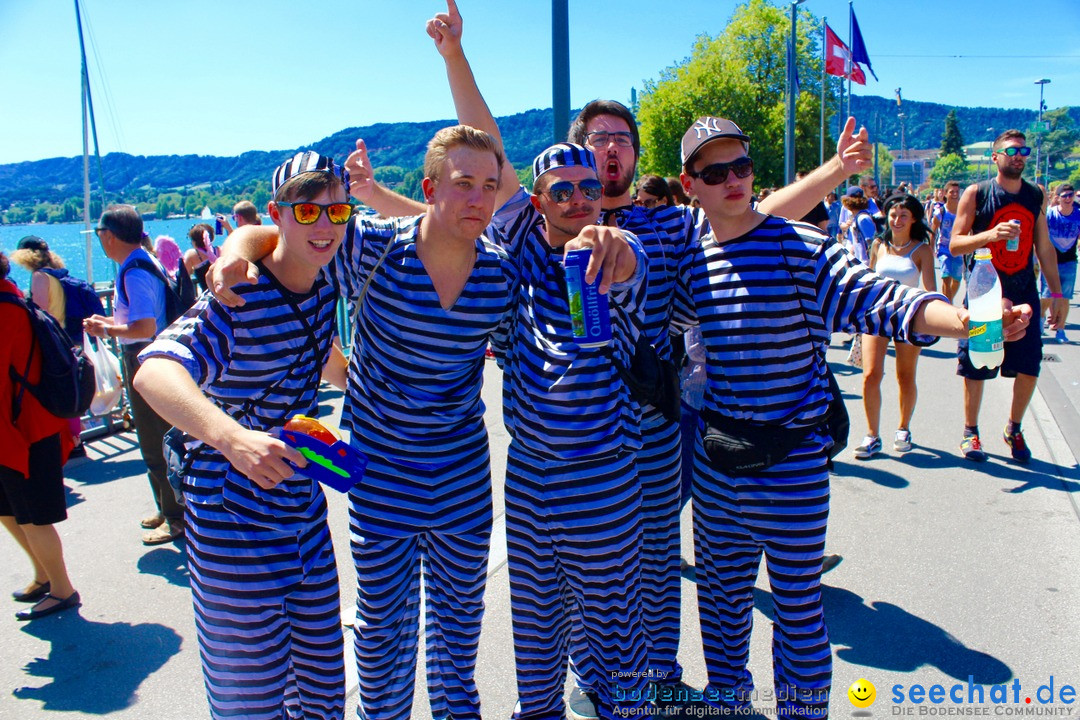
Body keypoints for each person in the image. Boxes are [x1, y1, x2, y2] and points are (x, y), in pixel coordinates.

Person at [670, 116, 1030, 719]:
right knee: (722, 609)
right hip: (716, 467)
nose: (733, 180)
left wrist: (967, 321)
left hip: (791, 468)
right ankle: (728, 703)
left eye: (742, 166)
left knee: (797, 611)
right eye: (714, 172)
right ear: (690, 185)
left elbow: (885, 301)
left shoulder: (799, 249)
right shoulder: (688, 262)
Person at [209, 125, 518, 720]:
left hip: (461, 478)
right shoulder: (369, 246)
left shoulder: (500, 275)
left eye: (488, 185)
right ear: (429, 188)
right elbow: (270, 232)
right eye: (462, 184)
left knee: (459, 627)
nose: (479, 199)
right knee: (382, 630)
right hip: (379, 478)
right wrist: (230, 255)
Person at [134, 153, 350, 720]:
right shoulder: (240, 295)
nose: (325, 225)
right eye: (307, 211)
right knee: (250, 692)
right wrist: (232, 438)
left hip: (299, 505)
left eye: (336, 210)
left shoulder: (324, 288)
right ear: (280, 215)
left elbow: (317, 349)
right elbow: (154, 370)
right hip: (231, 512)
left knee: (322, 681)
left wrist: (362, 380)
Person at [950, 129, 1067, 464]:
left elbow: (1043, 246)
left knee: (1030, 363)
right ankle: (970, 432)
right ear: (995, 156)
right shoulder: (978, 193)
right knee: (976, 363)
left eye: (1024, 150)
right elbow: (955, 243)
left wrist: (1057, 293)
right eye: (1012, 150)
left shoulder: (1034, 195)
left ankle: (1014, 429)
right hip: (985, 290)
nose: (1019, 155)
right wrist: (989, 235)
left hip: (1023, 287)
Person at [84, 205, 185, 545]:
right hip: (155, 355)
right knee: (156, 437)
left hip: (143, 357)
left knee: (155, 440)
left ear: (109, 236)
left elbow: (143, 325)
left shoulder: (134, 271)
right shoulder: (146, 260)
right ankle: (166, 505)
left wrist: (105, 327)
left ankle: (174, 517)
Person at [0, 251, 81, 621]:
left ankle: (62, 589)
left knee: (34, 516)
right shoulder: (14, 300)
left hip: (24, 433)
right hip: (24, 428)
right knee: (9, 510)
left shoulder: (7, 311)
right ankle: (44, 574)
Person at [853, 194, 938, 459]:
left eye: (903, 215)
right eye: (892, 214)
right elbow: (867, 280)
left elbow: (931, 290)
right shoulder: (879, 244)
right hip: (877, 316)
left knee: (905, 376)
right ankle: (871, 435)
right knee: (870, 375)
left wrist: (938, 321)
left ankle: (903, 428)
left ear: (914, 218)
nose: (897, 220)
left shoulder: (921, 249)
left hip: (907, 316)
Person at [10, 235, 104, 458]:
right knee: (70, 388)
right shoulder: (58, 275)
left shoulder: (39, 277)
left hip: (54, 342)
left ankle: (71, 441)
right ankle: (76, 439)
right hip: (71, 338)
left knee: (58, 391)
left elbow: (40, 313)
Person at [1041, 182, 1080, 343]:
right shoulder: (1050, 214)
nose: (1068, 198)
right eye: (1064, 196)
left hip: (1069, 262)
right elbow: (1041, 234)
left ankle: (1061, 330)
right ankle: (1039, 323)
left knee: (1064, 298)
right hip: (1050, 262)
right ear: (1058, 198)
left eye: (1071, 195)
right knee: (1047, 296)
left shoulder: (1078, 214)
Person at [932, 181, 963, 303]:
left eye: (957, 192)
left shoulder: (962, 211)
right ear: (945, 193)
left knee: (957, 279)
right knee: (946, 276)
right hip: (944, 248)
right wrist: (930, 246)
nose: (955, 194)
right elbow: (932, 230)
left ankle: (946, 300)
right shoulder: (941, 212)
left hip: (959, 250)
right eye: (952, 192)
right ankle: (948, 305)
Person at [840, 186, 876, 264]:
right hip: (860, 261)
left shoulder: (862, 218)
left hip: (867, 263)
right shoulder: (856, 218)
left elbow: (872, 243)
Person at [183, 223, 220, 293]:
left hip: (208, 295)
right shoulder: (219, 250)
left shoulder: (192, 254)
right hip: (223, 292)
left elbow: (184, 275)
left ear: (194, 241)